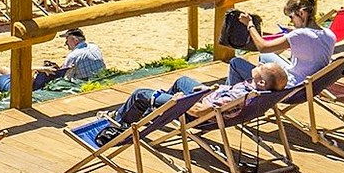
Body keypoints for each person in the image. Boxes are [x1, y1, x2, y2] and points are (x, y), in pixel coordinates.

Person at [108, 62, 287, 128]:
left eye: (262, 68)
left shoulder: (236, 99)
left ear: (262, 82)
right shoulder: (257, 94)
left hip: (193, 111)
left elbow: (200, 112)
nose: (259, 64)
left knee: (141, 94)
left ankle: (120, 121)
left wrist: (178, 101)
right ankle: (153, 114)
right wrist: (206, 91)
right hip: (208, 97)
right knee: (183, 81)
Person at [0, 28, 105, 105]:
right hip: (97, 80)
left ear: (74, 39)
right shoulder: (94, 46)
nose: (66, 44)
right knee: (3, 69)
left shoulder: (73, 56)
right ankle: (0, 78)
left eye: (67, 40)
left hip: (22, 88)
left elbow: (28, 73)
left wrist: (39, 69)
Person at [227, 0, 334, 86]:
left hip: (290, 85)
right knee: (265, 56)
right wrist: (294, 31)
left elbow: (263, 47)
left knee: (235, 63)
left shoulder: (300, 35)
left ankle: (228, 99)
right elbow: (311, 39)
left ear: (302, 13)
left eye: (291, 17)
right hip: (312, 84)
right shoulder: (329, 34)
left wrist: (250, 24)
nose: (291, 21)